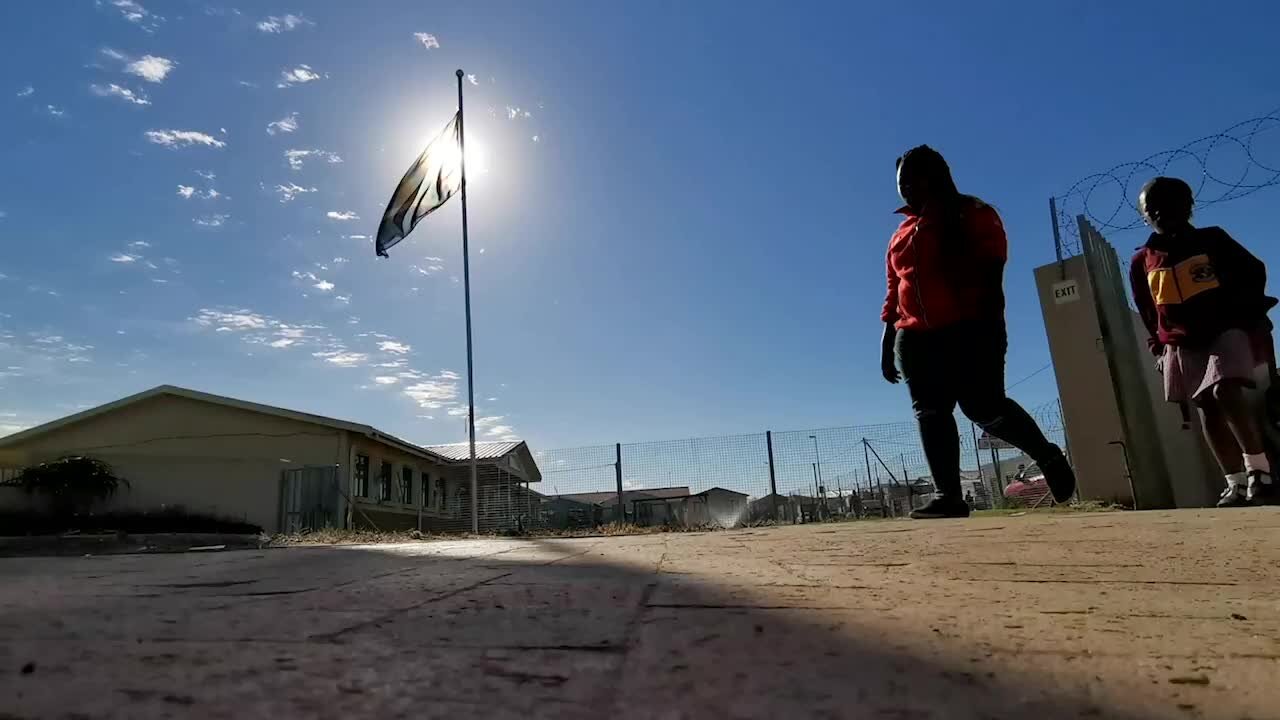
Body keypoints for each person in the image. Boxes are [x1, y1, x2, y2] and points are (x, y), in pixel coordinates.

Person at [881, 145, 1076, 519]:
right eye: (900, 182)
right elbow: (894, 290)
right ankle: (948, 496)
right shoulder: (900, 234)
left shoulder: (973, 213)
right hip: (915, 336)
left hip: (971, 327)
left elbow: (992, 270)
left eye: (912, 179)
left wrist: (983, 331)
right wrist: (888, 342)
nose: (905, 188)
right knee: (930, 411)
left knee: (982, 405)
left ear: (936, 176)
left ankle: (1047, 455)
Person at [1129, 176, 1277, 507]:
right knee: (1206, 405)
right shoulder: (1143, 261)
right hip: (1182, 342)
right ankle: (1234, 482)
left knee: (1226, 389)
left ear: (1189, 207)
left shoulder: (1212, 240)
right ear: (1144, 216)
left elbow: (1253, 271)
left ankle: (1259, 472)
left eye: (1171, 205)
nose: (1161, 213)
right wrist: (1159, 346)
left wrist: (1245, 313)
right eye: (1152, 209)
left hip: (1225, 329)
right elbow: (1148, 309)